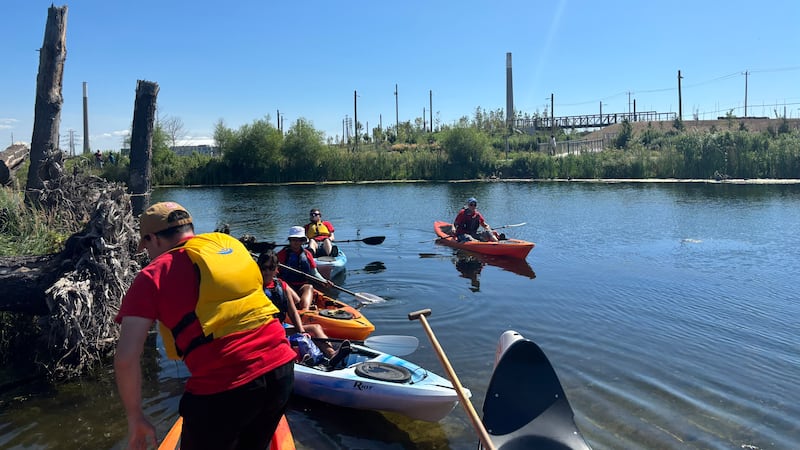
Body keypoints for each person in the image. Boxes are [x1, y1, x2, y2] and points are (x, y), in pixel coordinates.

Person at [114, 202, 296, 450]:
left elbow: (126, 358)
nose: (148, 254)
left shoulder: (152, 275)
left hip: (225, 386)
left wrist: (135, 417)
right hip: (282, 369)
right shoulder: (230, 249)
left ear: (152, 239)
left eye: (146, 247)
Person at [257, 249, 350, 364]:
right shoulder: (255, 287)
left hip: (281, 327)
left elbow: (292, 312)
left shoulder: (281, 285)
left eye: (271, 268)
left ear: (276, 269)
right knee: (297, 338)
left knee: (315, 328)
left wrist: (301, 330)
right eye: (263, 268)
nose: (267, 272)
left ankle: (331, 354)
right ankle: (302, 358)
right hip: (266, 332)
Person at [276, 226, 332, 310]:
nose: (296, 242)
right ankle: (301, 307)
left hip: (301, 286)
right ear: (290, 240)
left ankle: (305, 310)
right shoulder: (281, 255)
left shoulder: (307, 254)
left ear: (303, 241)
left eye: (299, 240)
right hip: (286, 286)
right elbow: (274, 274)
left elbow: (314, 273)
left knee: (309, 287)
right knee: (293, 296)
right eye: (294, 240)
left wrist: (323, 281)